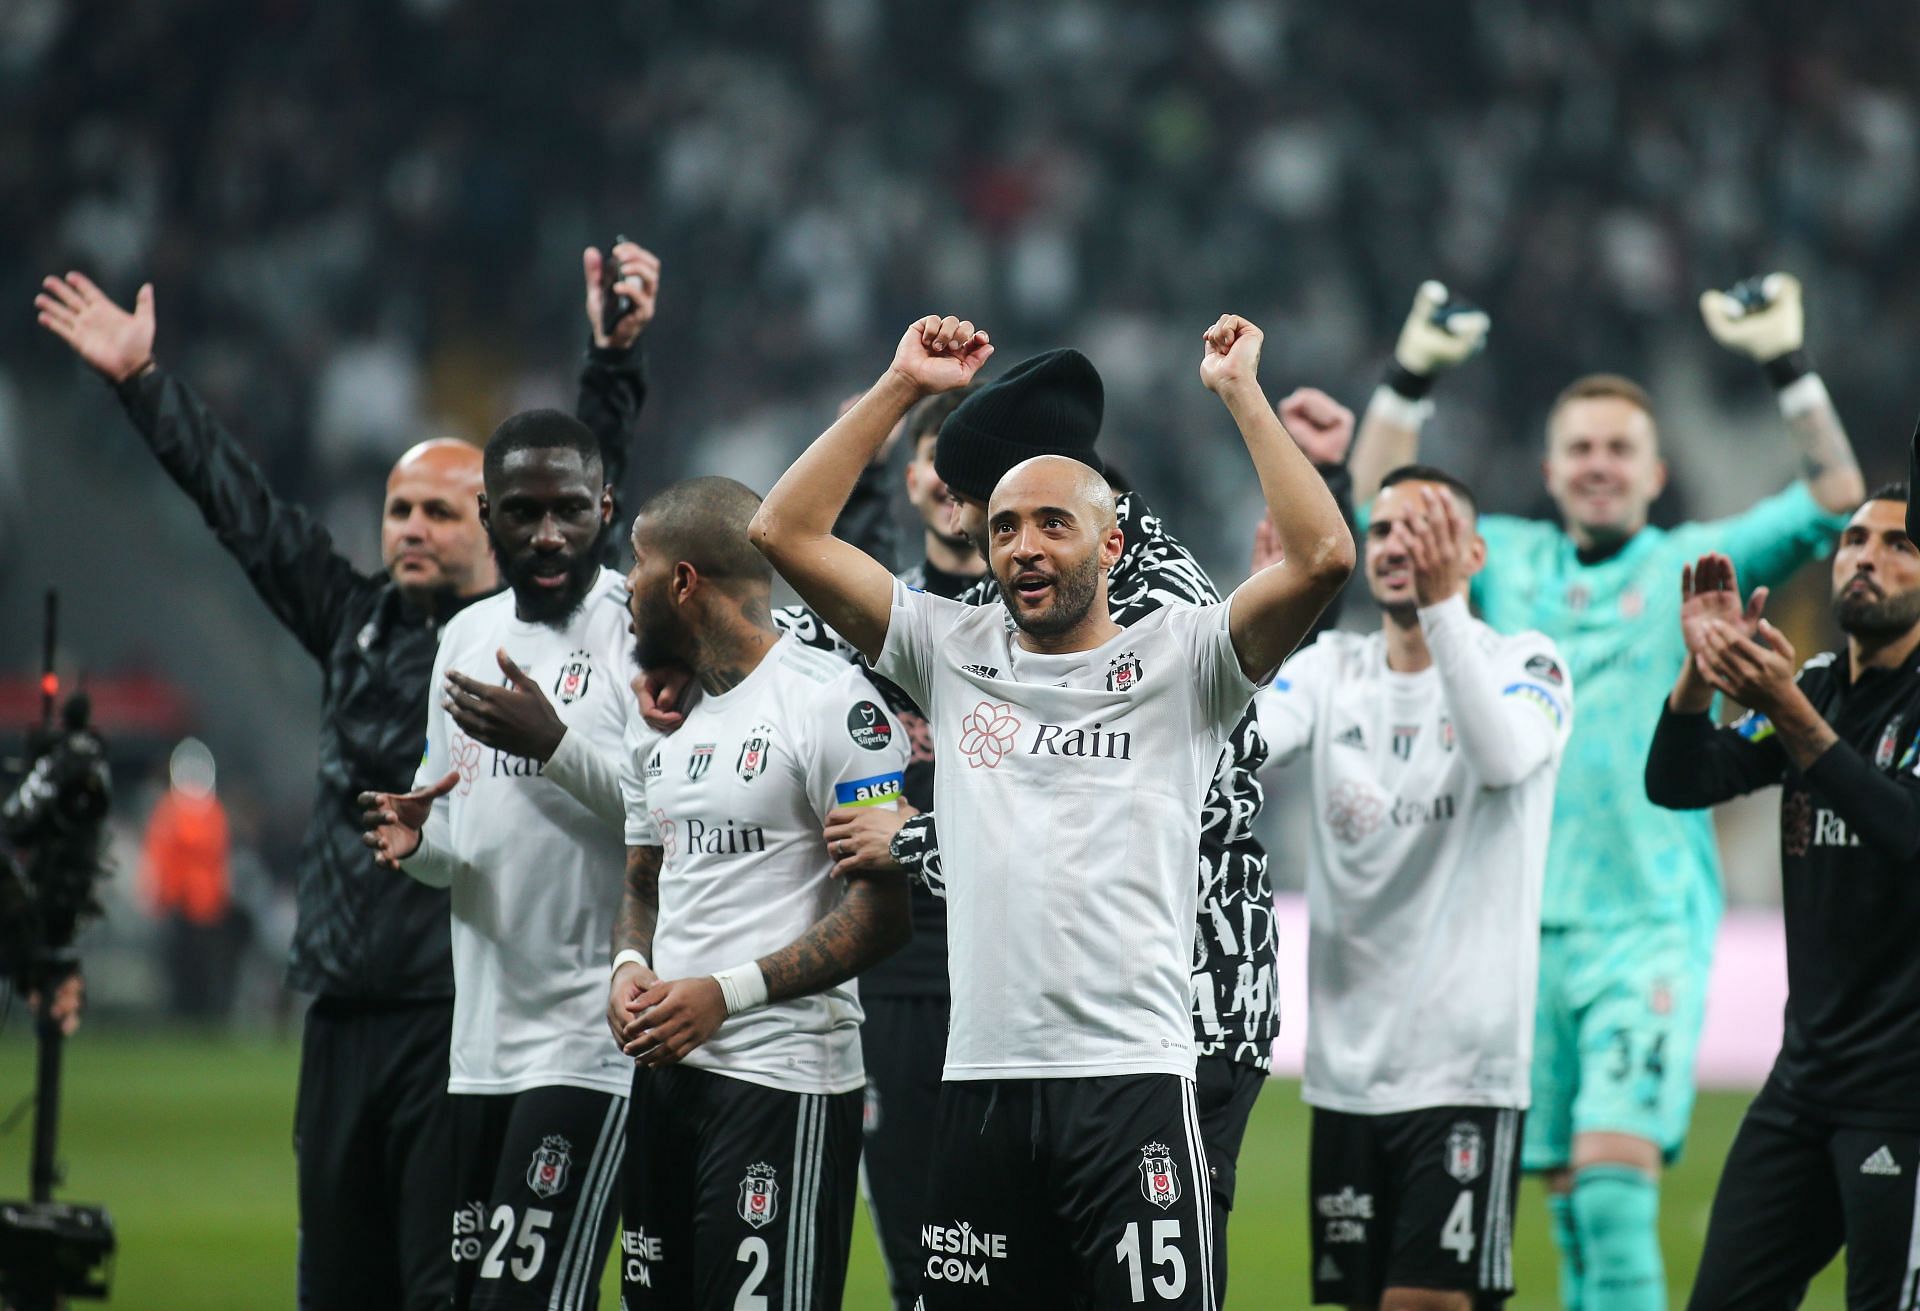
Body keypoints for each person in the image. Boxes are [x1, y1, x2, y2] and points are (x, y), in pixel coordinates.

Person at [34, 244, 659, 1310]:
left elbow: (573, 482)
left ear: (499, 532)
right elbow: (243, 515)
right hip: (337, 1006)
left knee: (443, 1284)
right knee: (334, 1280)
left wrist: (609, 360)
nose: (412, 528)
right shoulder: (352, 620)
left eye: (440, 512)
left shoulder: (510, 632)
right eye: (398, 509)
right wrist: (143, 386)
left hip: (453, 1008)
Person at [749, 312, 1352, 1306]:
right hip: (981, 1084)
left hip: (1134, 1083)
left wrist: (1241, 392)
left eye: (1053, 524)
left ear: (1114, 541)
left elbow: (1324, 557)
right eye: (1004, 528)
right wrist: (899, 386)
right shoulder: (950, 647)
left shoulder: (1188, 658)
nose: (1024, 547)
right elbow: (781, 531)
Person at [1347, 274, 1864, 1310]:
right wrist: (1410, 378)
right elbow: (1377, 506)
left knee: (1620, 1193)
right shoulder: (1513, 561)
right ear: (1549, 467)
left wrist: (1787, 365)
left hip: (1648, 927)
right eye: (1580, 448)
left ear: (1654, 471)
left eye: (1619, 449)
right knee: (1575, 1205)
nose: (1598, 465)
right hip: (1521, 930)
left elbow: (1834, 497)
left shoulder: (1690, 560)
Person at [1255, 465, 1571, 1309]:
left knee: (1425, 1303)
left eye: (1423, 530)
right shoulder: (1330, 668)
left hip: (1464, 1067)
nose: (1399, 545)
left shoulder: (1528, 662)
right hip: (1347, 1069)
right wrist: (1263, 608)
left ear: (1472, 553)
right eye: (1385, 529)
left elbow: (1503, 757)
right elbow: (1244, 739)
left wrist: (1441, 612)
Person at [603, 476, 912, 1308]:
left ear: (683, 582)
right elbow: (644, 875)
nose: (621, 585)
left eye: (635, 564)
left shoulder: (830, 704)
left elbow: (884, 916)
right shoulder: (658, 714)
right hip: (666, 1073)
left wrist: (727, 994)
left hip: (786, 1082)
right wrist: (629, 962)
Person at [360, 409, 639, 1309]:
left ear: (608, 505)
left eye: (570, 509)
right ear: (489, 514)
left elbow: (678, 820)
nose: (549, 533)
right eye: (523, 511)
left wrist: (554, 743)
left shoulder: (643, 631)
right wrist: (419, 841)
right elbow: (457, 839)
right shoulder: (466, 638)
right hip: (481, 1047)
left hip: (593, 1041)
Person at [1644, 489, 1920, 1310]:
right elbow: (1681, 779)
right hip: (1803, 1085)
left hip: (1904, 1098)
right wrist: (1703, 672)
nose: (1865, 556)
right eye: (1854, 539)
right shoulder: (1823, 684)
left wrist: (1785, 705)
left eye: (1899, 545)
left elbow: (1905, 829)